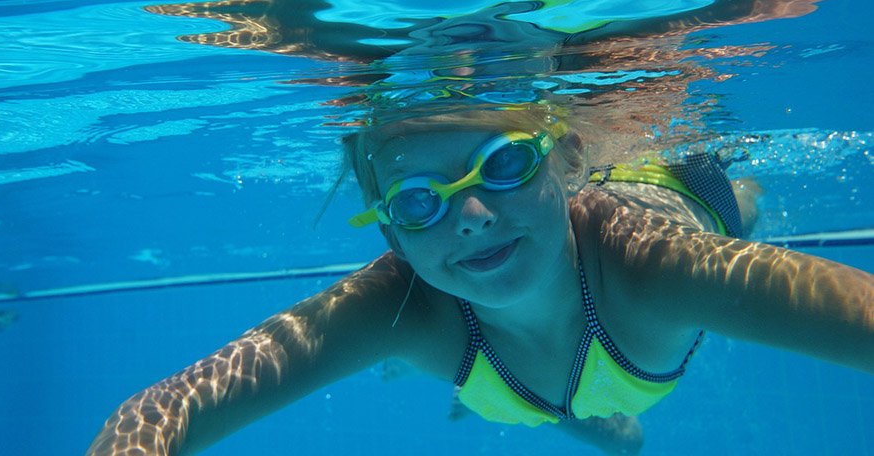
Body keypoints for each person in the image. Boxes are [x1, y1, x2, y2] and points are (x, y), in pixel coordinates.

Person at [86, 104, 873, 456]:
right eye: (420, 202)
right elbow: (164, 410)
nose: (467, 216)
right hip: (538, 371)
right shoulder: (396, 299)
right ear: (392, 232)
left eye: (500, 165)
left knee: (743, 202)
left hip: (676, 189)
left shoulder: (657, 267)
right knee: (600, 425)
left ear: (565, 163)